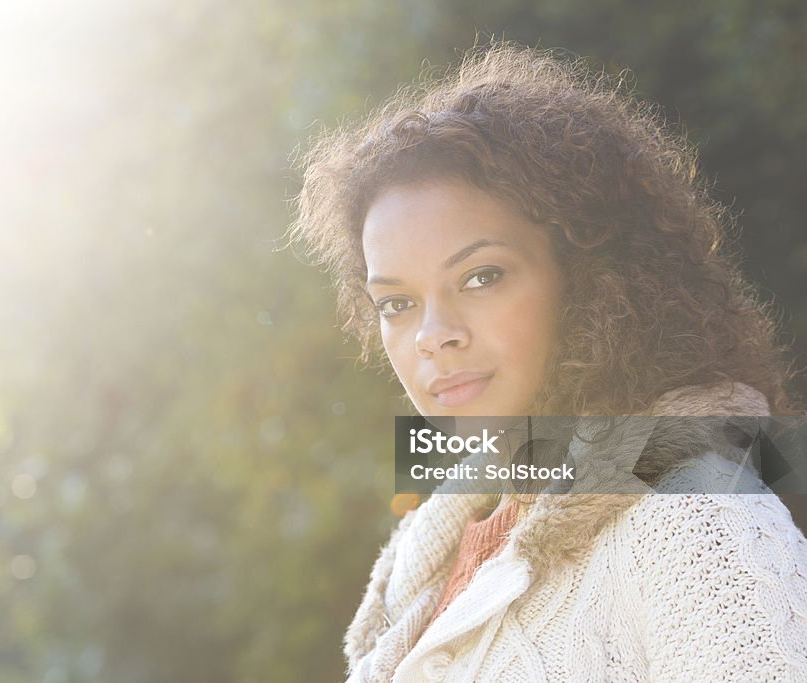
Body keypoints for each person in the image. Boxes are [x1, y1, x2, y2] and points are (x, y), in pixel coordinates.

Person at [290, 43, 807, 681]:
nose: (433, 334)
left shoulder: (695, 513)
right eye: (395, 302)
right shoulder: (427, 549)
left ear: (591, 278)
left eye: (481, 277)